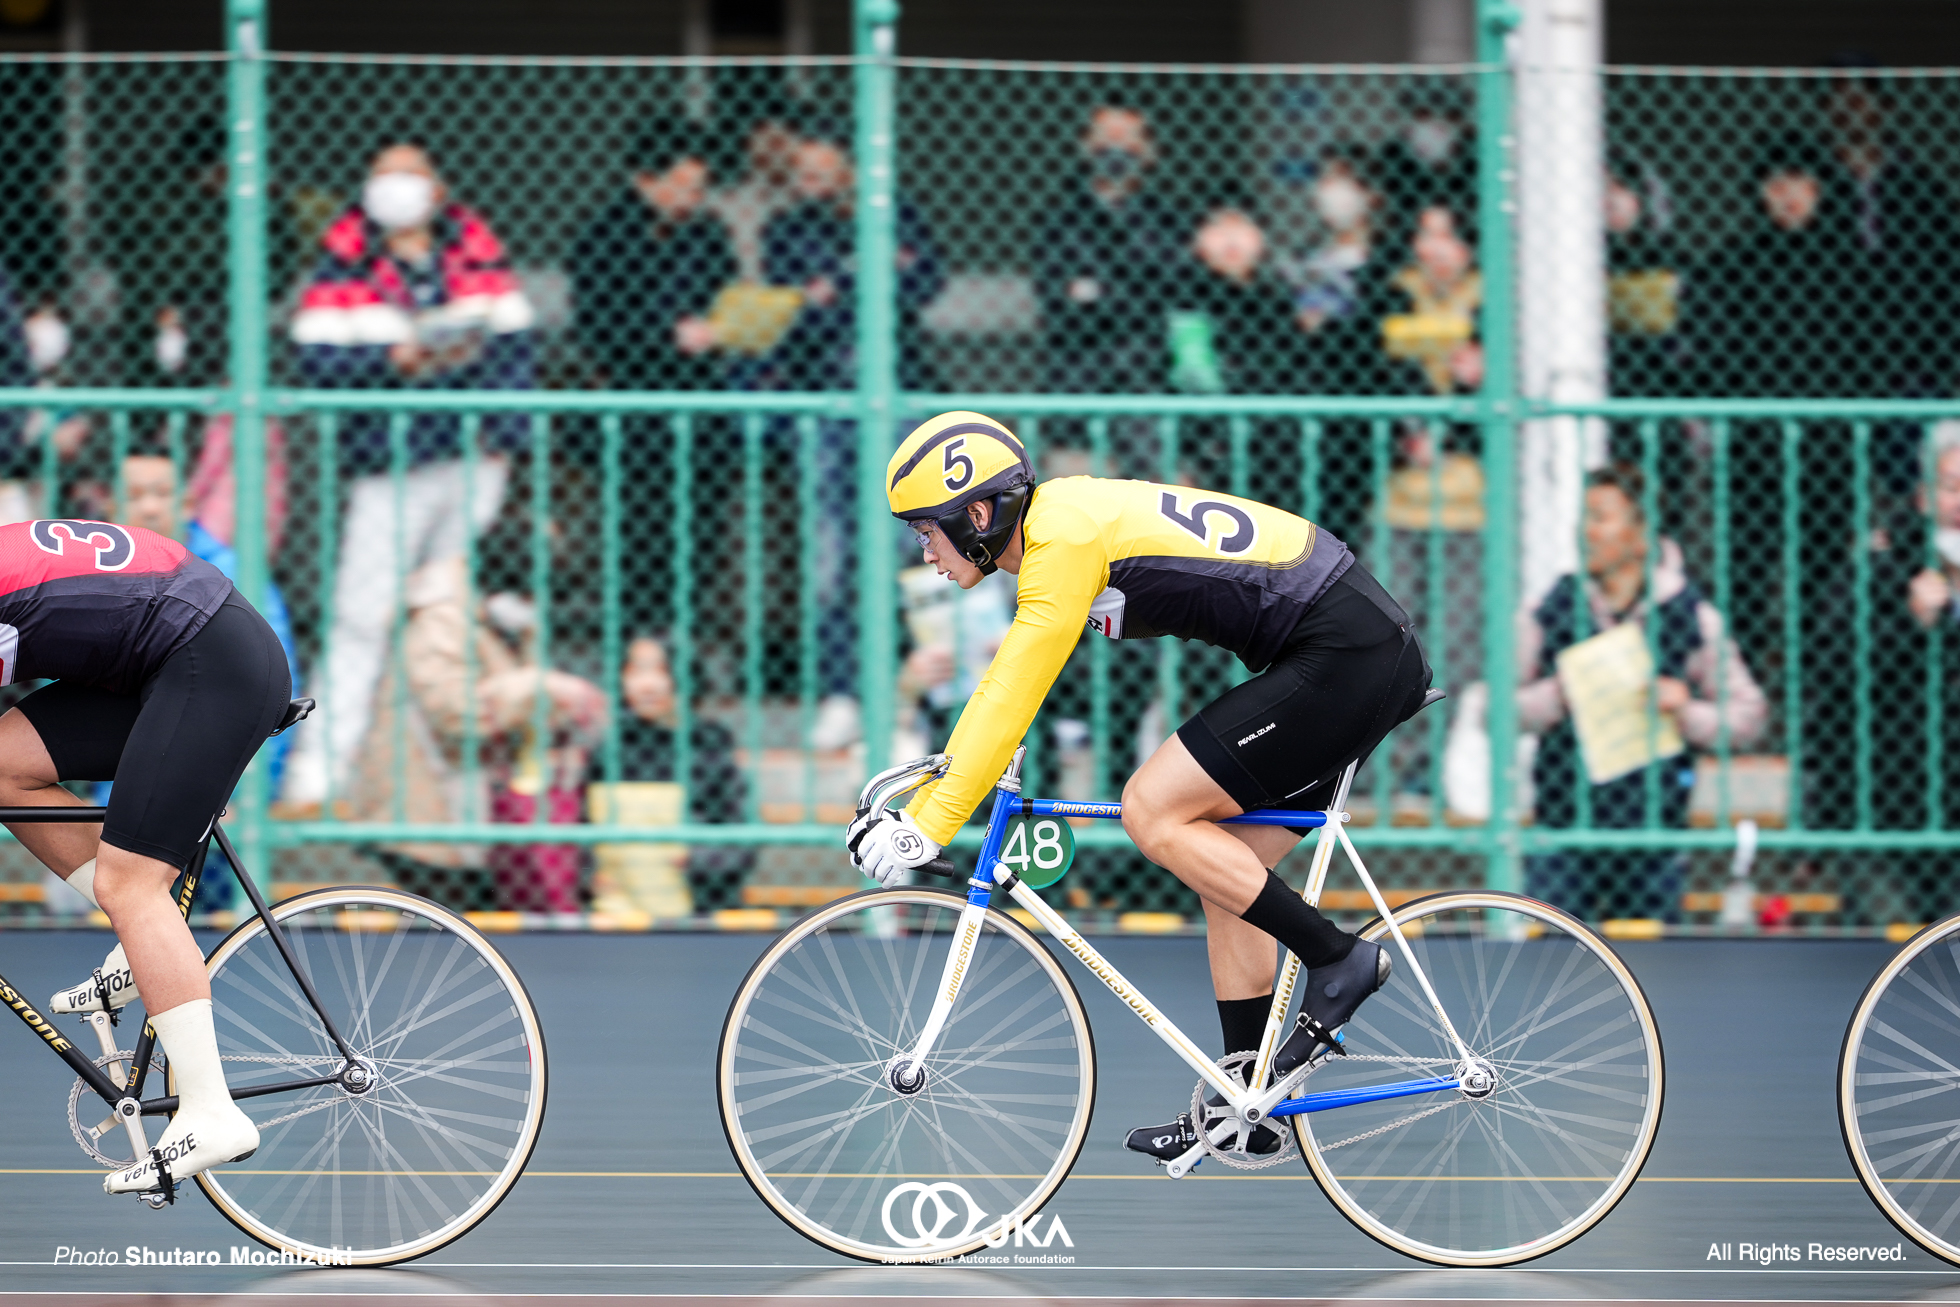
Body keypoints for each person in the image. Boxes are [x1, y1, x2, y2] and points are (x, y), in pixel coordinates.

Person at [848, 412, 1433, 1162]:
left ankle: (1338, 957)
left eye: (926, 529)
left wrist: (928, 821)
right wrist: (959, 768)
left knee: (1150, 807)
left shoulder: (1061, 541)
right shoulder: (1054, 530)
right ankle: (1245, 1101)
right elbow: (1016, 682)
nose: (923, 550)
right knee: (1219, 864)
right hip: (1350, 643)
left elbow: (1012, 686)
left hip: (1347, 650)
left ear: (980, 514)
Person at [0, 518, 291, 1195]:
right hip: (176, 660)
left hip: (209, 665)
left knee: (134, 886)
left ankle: (213, 1111)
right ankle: (141, 951)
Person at [280, 141, 535, 812]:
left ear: (437, 185)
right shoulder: (344, 258)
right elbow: (317, 362)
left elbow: (515, 349)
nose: (398, 186)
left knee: (455, 619)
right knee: (361, 617)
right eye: (385, 172)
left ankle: (460, 791)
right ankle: (319, 770)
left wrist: (505, 437)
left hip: (474, 458)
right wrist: (394, 358)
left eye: (411, 172)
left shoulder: (474, 249)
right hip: (389, 463)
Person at [761, 130, 946, 751]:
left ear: (848, 170)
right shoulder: (786, 229)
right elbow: (800, 312)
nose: (816, 182)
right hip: (826, 404)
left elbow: (925, 286)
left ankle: (911, 698)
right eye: (804, 172)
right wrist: (868, 277)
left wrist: (838, 286)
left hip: (900, 399)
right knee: (831, 562)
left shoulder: (897, 212)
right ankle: (842, 692)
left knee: (911, 554)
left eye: (825, 169)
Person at [1518, 464, 1766, 922]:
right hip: (1563, 827)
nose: (1585, 531)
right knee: (1551, 970)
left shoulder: (1691, 615)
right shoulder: (1552, 607)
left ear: (1641, 532)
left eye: (1600, 517)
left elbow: (1749, 716)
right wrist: (1556, 697)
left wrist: (1686, 710)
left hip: (1655, 833)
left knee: (1654, 969)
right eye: (1583, 517)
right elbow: (1493, 707)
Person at [583, 635, 753, 915]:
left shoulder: (710, 747)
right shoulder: (607, 750)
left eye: (660, 671)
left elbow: (741, 841)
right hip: (613, 913)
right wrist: (589, 876)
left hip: (695, 911)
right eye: (635, 671)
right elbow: (582, 828)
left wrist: (694, 859)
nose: (647, 685)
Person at [570, 118, 738, 392]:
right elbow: (597, 324)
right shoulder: (604, 236)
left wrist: (717, 327)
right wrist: (669, 334)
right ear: (645, 180)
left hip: (700, 379)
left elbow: (725, 286)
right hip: (631, 381)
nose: (694, 199)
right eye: (684, 188)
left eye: (700, 189)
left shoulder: (707, 231)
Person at [1033, 105, 1189, 396]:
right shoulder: (1060, 219)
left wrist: (1095, 291)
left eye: (1127, 138)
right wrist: (1134, 292)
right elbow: (1056, 298)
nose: (1116, 148)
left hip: (1147, 368)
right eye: (1106, 137)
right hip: (1074, 366)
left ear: (1148, 151)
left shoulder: (1168, 219)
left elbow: (1171, 290)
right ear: (1086, 147)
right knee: (1070, 441)